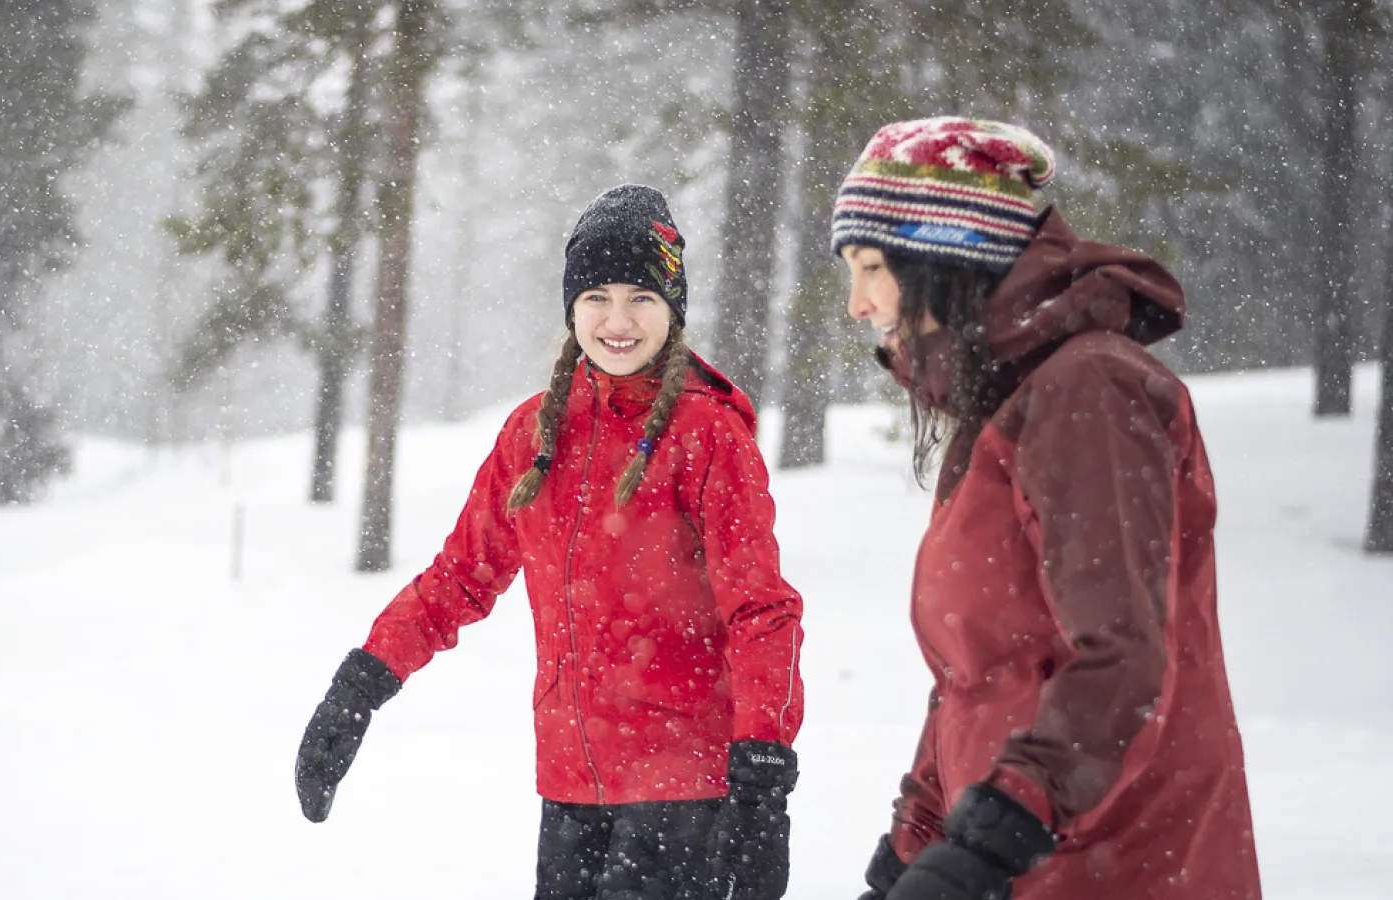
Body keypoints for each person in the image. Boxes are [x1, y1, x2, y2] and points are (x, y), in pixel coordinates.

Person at [294, 184, 806, 900]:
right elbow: (460, 578)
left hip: (682, 788)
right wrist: (360, 686)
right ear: (571, 308)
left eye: (642, 298)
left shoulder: (706, 435)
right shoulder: (533, 434)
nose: (618, 320)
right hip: (570, 785)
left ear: (673, 311)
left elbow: (761, 609)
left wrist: (762, 776)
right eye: (597, 296)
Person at [829, 117, 1262, 900]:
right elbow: (977, 678)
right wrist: (916, 844)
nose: (857, 304)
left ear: (944, 255)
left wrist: (990, 842)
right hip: (1024, 855)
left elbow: (1120, 655)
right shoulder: (1003, 403)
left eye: (870, 267)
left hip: (1111, 859)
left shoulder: (1087, 391)